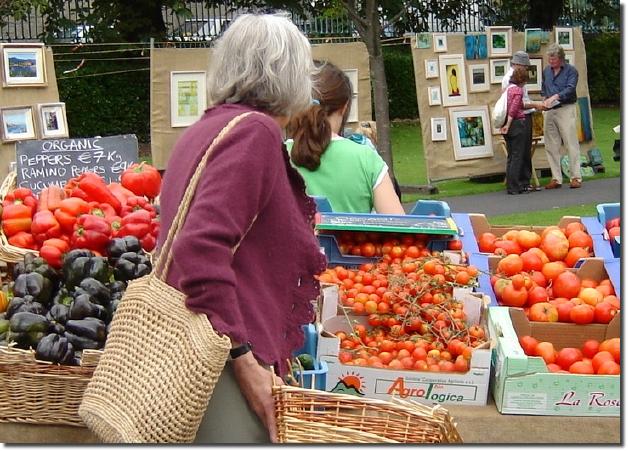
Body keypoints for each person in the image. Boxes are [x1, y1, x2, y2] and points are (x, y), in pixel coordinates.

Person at [157, 14, 326, 443]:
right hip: (220, 362)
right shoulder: (255, 133)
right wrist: (243, 358)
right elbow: (199, 247)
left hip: (192, 347)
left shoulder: (206, 129)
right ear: (288, 74)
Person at [286, 61, 405, 215]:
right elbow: (398, 226)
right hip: (352, 240)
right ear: (344, 107)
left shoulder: (277, 155)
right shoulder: (366, 158)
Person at [501, 50, 547, 191]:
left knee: (518, 152)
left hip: (517, 119)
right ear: (519, 65)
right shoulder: (512, 81)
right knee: (519, 152)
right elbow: (517, 105)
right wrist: (536, 105)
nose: (526, 69)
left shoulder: (513, 79)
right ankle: (518, 184)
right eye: (525, 67)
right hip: (518, 119)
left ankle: (518, 183)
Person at [541, 43, 581, 189]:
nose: (551, 62)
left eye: (554, 59)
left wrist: (555, 96)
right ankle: (556, 178)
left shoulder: (571, 71)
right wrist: (545, 99)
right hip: (550, 110)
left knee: (571, 142)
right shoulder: (546, 71)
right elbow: (544, 87)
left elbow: (570, 89)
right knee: (551, 144)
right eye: (549, 59)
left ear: (561, 58)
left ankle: (576, 177)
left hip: (565, 108)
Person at [500, 66, 530, 195]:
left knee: (511, 156)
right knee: (518, 155)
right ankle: (515, 186)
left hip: (509, 125)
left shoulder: (508, 90)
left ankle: (510, 185)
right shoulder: (518, 91)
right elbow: (513, 109)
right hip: (517, 124)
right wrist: (509, 123)